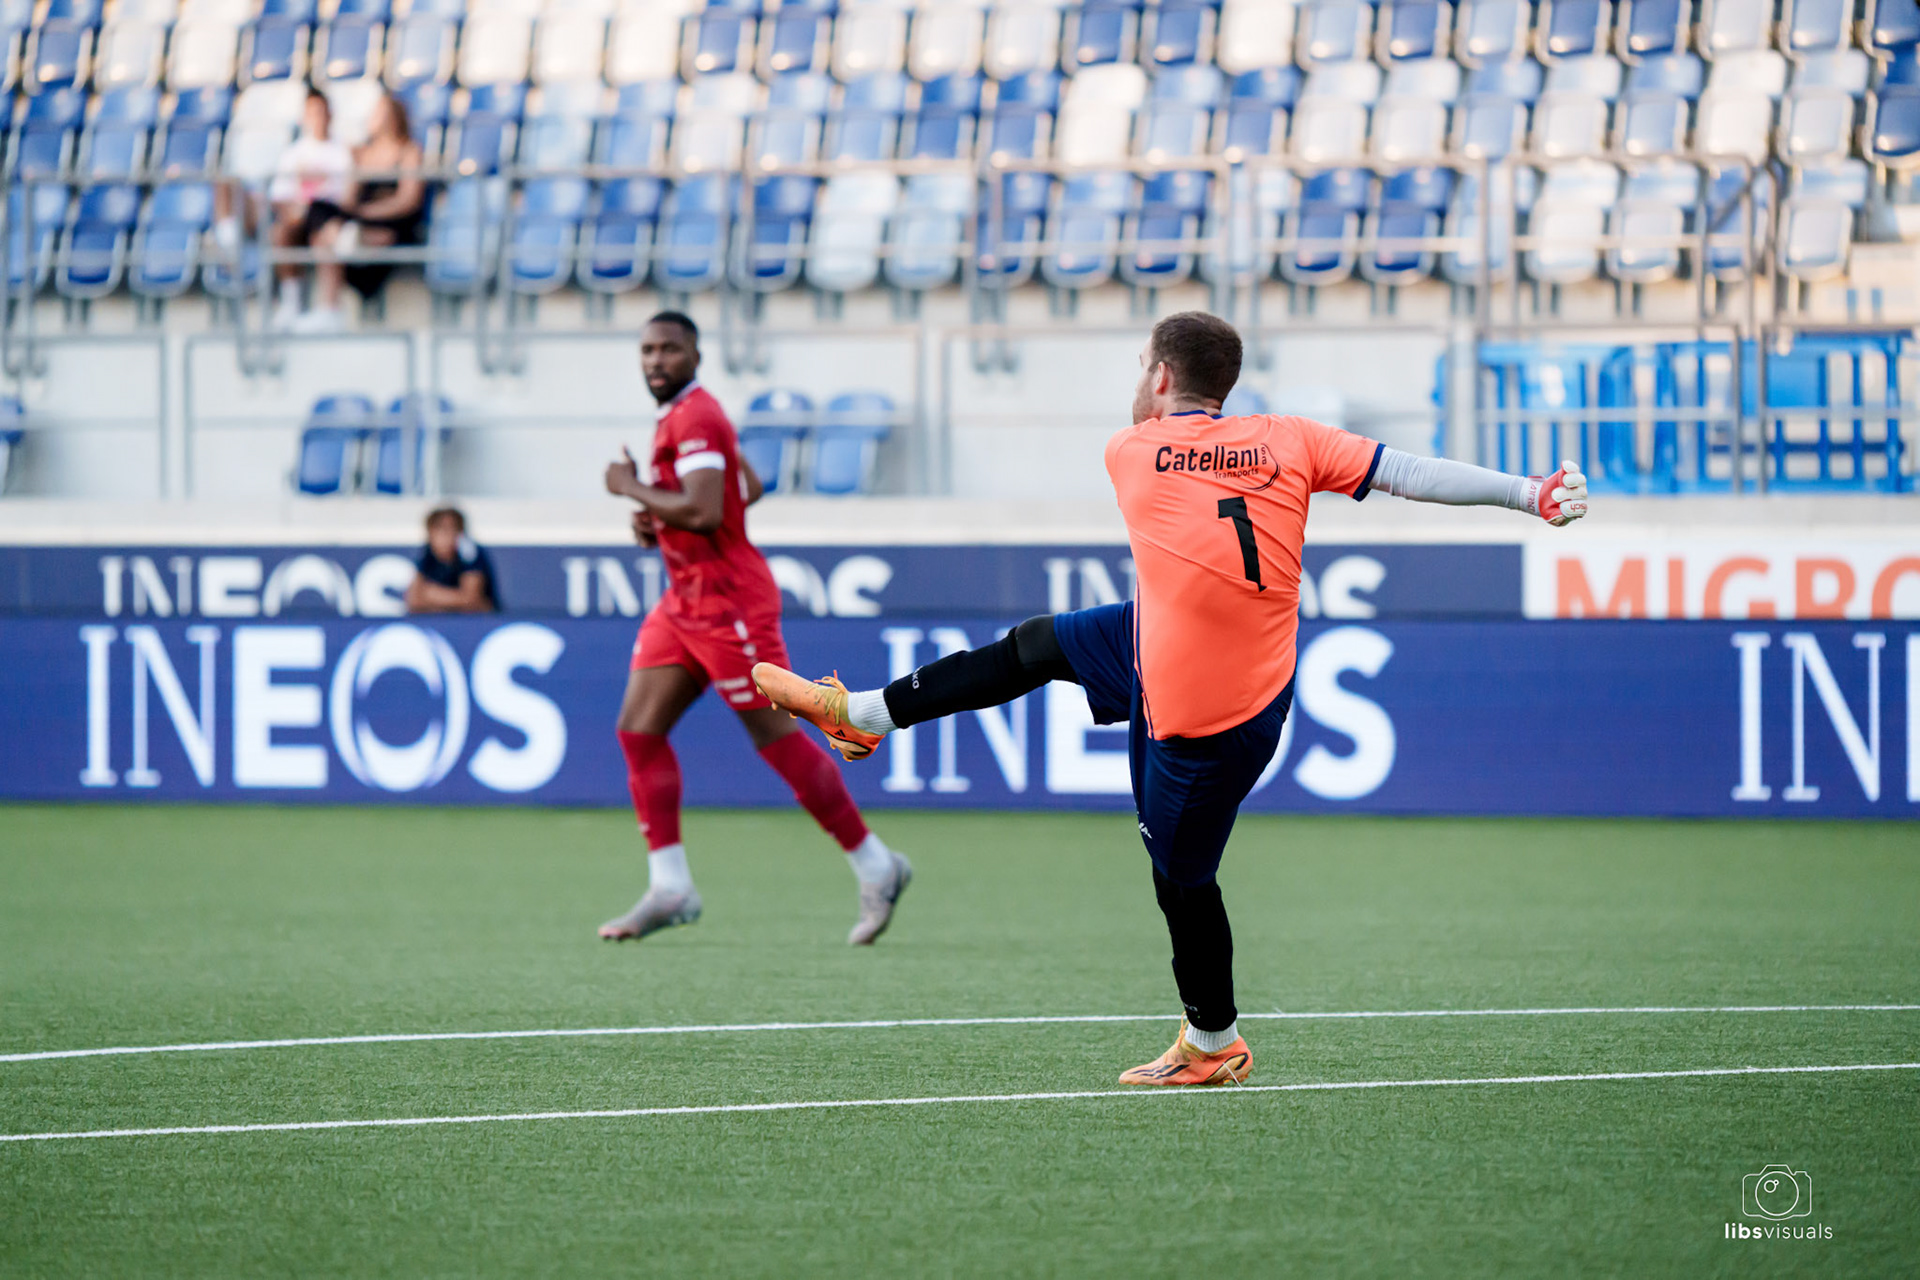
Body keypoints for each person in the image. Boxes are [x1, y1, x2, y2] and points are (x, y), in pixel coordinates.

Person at [753, 311, 1589, 1085]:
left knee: (1181, 880)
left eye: (1141, 365)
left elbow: (1183, 458)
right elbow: (1408, 472)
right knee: (1040, 643)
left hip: (1211, 716)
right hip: (1182, 651)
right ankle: (862, 714)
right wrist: (1529, 493)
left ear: (1159, 375)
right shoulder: (1290, 438)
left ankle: (1213, 1043)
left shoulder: (1130, 449)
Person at [597, 312, 910, 946]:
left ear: (696, 354)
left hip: (730, 605)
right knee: (637, 729)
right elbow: (750, 486)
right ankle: (671, 886)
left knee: (778, 738)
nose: (656, 360)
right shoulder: (684, 417)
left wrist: (633, 489)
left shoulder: (697, 416)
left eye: (670, 349)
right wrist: (660, 519)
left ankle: (877, 865)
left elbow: (710, 510)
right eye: (647, 350)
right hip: (683, 602)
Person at [308, 92, 428, 327]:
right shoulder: (361, 153)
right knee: (319, 209)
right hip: (359, 220)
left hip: (390, 220)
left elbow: (408, 200)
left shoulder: (409, 151)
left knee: (348, 230)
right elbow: (349, 199)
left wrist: (367, 213)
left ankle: (350, 240)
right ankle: (330, 302)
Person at [266, 88, 356, 333]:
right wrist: (295, 211)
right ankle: (291, 303)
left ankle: (330, 308)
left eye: (321, 112)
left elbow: (347, 196)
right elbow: (279, 196)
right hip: (297, 217)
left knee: (322, 227)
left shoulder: (343, 151)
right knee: (281, 231)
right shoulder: (293, 153)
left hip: (328, 214)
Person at [405, 507, 498, 614]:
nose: (448, 537)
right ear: (430, 534)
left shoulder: (469, 551)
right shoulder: (427, 552)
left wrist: (433, 594)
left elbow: (472, 600)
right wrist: (454, 600)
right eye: (441, 531)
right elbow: (413, 601)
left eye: (453, 530)